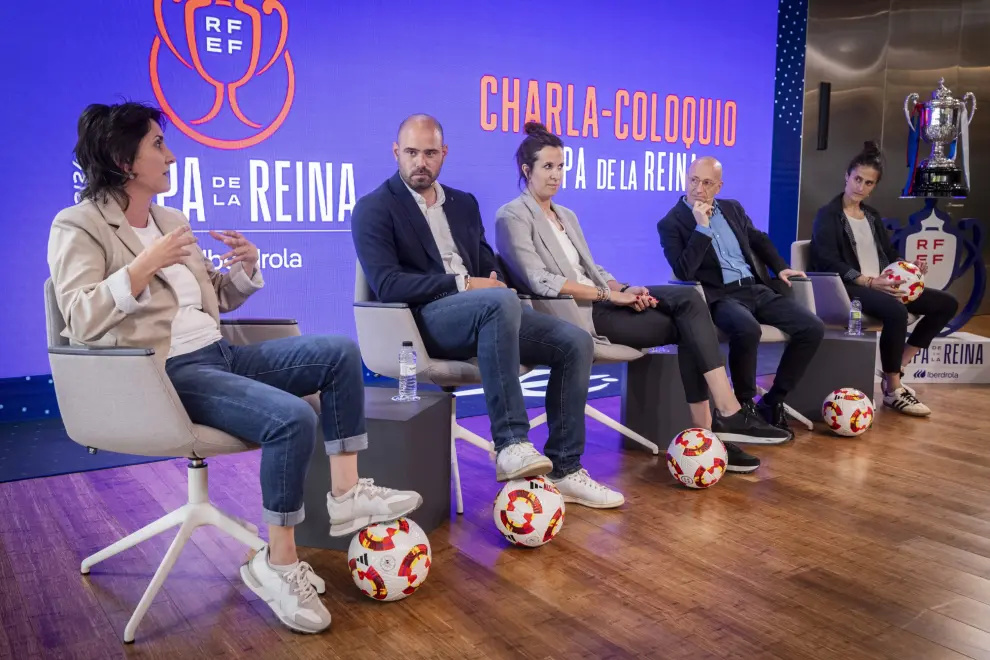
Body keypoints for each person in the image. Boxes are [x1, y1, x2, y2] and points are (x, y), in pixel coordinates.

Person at [48, 102, 422, 634]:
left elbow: (213, 301)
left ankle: (345, 496)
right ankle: (279, 564)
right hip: (165, 374)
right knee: (292, 418)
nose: (171, 155)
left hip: (219, 352)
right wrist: (144, 264)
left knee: (339, 351)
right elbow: (80, 317)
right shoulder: (79, 225)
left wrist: (245, 270)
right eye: (158, 144)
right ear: (121, 158)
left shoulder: (169, 220)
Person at [351, 114, 623, 509]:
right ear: (396, 152)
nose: (420, 162)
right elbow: (388, 284)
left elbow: (483, 263)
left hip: (485, 311)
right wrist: (464, 285)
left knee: (574, 342)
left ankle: (565, 469)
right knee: (497, 302)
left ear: (443, 154)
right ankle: (511, 442)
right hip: (421, 320)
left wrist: (492, 278)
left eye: (429, 153)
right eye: (411, 152)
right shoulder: (374, 208)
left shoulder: (463, 203)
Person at [495, 123, 790, 473]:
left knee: (689, 302)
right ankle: (720, 423)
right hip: (575, 316)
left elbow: (592, 267)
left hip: (604, 301)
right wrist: (609, 296)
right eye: (547, 167)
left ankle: (714, 428)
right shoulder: (511, 215)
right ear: (526, 170)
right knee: (690, 322)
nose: (556, 175)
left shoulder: (566, 215)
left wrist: (624, 289)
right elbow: (540, 280)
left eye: (561, 166)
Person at [657, 157, 825, 439]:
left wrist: (781, 266)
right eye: (693, 180)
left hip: (754, 288)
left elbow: (759, 239)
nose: (699, 188)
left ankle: (772, 401)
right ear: (686, 179)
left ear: (718, 186)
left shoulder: (732, 209)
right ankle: (744, 406)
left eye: (707, 182)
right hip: (718, 295)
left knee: (812, 327)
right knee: (747, 328)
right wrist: (701, 227)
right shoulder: (671, 223)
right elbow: (684, 270)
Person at [810, 141, 958, 416]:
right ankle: (893, 388)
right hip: (848, 289)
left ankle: (898, 366)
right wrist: (867, 281)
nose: (860, 187)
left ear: (873, 187)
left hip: (883, 284)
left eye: (868, 183)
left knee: (946, 304)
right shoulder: (828, 215)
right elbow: (826, 260)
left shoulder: (873, 216)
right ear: (846, 176)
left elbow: (887, 254)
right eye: (857, 179)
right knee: (895, 311)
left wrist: (907, 266)